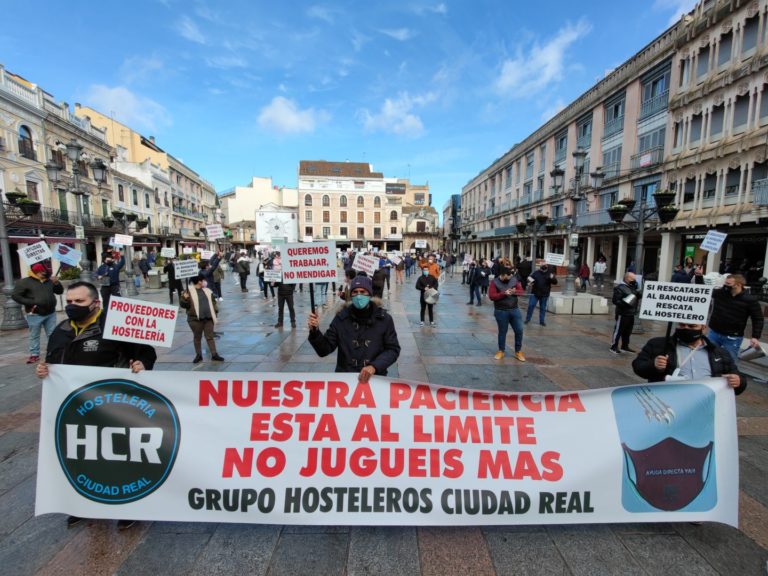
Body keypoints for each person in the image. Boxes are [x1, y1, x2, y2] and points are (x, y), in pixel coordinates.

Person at [35, 281, 157, 530]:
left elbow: (146, 353)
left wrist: (141, 364)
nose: (72, 306)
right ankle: (83, 505)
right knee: (83, 459)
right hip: (76, 409)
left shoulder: (117, 327)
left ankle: (127, 507)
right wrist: (44, 369)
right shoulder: (60, 330)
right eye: (69, 302)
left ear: (96, 303)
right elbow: (53, 362)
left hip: (113, 407)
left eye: (79, 302)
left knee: (121, 458)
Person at [307, 275, 400, 380]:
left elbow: (393, 349)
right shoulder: (341, 318)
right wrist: (315, 332)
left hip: (375, 379)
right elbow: (324, 349)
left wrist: (375, 366)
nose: (359, 296)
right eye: (355, 292)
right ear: (351, 295)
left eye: (363, 292)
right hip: (346, 380)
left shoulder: (384, 319)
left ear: (369, 294)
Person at [632, 323, 746, 393]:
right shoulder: (659, 345)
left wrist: (738, 381)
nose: (686, 329)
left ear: (703, 328)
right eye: (682, 325)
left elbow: (736, 375)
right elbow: (638, 366)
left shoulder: (719, 352)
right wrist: (653, 365)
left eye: (692, 326)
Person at [12, 261, 63, 364]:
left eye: (45, 272)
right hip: (35, 313)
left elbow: (59, 291)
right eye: (42, 272)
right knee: (34, 335)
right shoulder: (24, 282)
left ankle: (53, 352)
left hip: (50, 312)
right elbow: (16, 296)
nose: (44, 274)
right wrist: (32, 303)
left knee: (52, 333)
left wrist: (57, 283)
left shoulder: (49, 281)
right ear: (36, 272)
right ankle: (34, 354)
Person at [707, 274, 763, 362]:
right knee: (708, 357)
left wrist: (755, 336)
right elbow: (702, 291)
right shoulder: (720, 293)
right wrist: (698, 276)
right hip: (714, 333)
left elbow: (758, 319)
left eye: (728, 284)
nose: (725, 286)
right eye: (725, 283)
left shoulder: (750, 300)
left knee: (730, 361)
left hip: (733, 337)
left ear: (738, 285)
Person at [180, 275, 224, 363]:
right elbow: (184, 305)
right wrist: (185, 298)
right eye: (203, 280)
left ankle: (214, 354)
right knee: (197, 337)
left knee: (210, 337)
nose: (204, 282)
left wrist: (215, 311)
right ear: (199, 281)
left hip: (208, 318)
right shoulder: (188, 291)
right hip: (195, 319)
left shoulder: (207, 291)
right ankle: (198, 355)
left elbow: (213, 303)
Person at [489, 266, 526, 362]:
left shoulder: (514, 280)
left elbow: (521, 292)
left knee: (519, 330)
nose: (510, 278)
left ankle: (518, 351)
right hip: (501, 311)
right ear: (503, 275)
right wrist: (504, 293)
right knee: (502, 332)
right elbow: (492, 296)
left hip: (514, 309)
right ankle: (501, 351)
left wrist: (515, 291)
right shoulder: (494, 282)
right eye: (508, 276)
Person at [610, 272, 641, 354]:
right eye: (633, 279)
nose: (634, 281)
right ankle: (613, 346)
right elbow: (615, 301)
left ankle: (625, 346)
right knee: (618, 330)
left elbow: (638, 296)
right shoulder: (620, 288)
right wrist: (626, 303)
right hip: (622, 313)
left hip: (631, 313)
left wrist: (638, 291)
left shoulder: (632, 287)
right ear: (627, 279)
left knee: (628, 331)